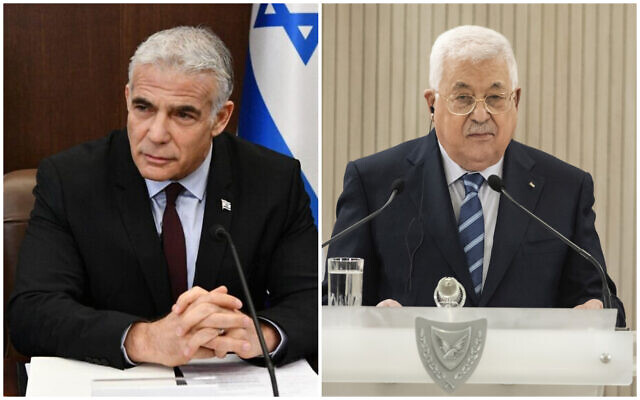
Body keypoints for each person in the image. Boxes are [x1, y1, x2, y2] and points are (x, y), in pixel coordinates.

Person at [8, 26, 318, 369]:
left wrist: (256, 335)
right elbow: (32, 313)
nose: (155, 135)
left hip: (228, 380)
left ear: (220, 118)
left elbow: (311, 303)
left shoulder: (272, 181)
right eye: (143, 107)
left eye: (183, 114)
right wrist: (143, 339)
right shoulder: (71, 180)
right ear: (127, 97)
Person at [325, 25, 625, 326]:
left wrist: (595, 311)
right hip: (404, 369)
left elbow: (602, 301)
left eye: (495, 97)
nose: (481, 115)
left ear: (515, 101)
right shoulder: (377, 185)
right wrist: (369, 317)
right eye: (463, 98)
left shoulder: (565, 189)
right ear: (432, 104)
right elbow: (334, 302)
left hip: (525, 371)